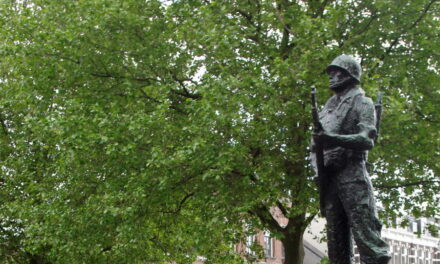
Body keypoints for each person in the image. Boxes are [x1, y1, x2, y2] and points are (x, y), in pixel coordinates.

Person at [311, 55, 391, 264]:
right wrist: (318, 171)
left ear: (350, 75)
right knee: (336, 245)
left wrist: (332, 139)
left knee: (369, 241)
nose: (332, 77)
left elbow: (366, 139)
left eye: (337, 72)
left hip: (352, 176)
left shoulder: (362, 102)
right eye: (330, 73)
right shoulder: (327, 108)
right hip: (329, 179)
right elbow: (314, 147)